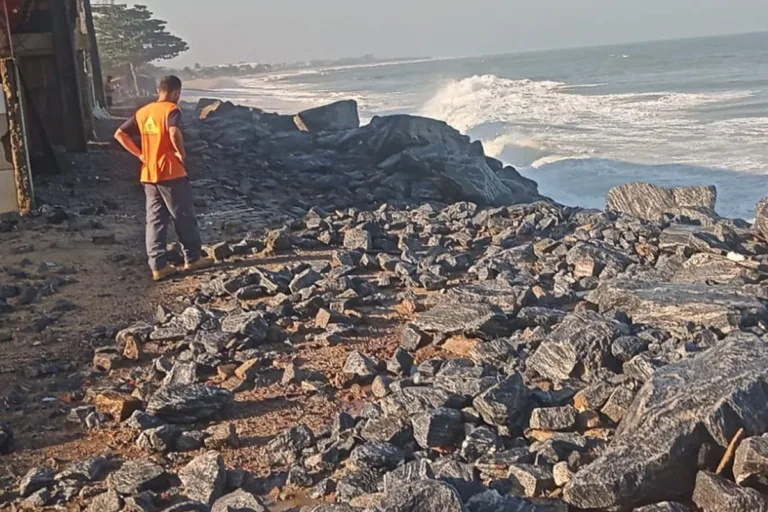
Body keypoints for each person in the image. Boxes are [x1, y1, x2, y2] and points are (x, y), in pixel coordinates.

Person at [114, 75, 213, 281]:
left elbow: (120, 134)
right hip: (170, 172)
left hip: (149, 174)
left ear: (159, 90)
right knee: (184, 216)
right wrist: (180, 153)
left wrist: (140, 154)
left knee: (155, 221)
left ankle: (158, 266)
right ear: (176, 92)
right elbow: (174, 130)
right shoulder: (171, 110)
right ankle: (193, 258)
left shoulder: (143, 112)